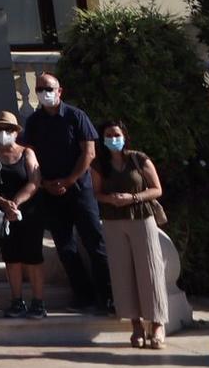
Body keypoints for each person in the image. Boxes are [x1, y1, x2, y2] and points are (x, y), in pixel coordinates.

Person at [21, 72, 113, 313]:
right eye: (40, 89)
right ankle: (83, 295)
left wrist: (69, 180)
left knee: (95, 242)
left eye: (48, 88)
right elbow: (28, 153)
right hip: (50, 192)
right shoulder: (33, 122)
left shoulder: (76, 116)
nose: (44, 93)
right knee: (65, 247)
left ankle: (108, 296)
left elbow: (89, 153)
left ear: (59, 91)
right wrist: (43, 183)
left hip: (80, 190)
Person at [92, 120, 168, 348]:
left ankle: (157, 324)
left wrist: (133, 198)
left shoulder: (138, 159)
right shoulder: (99, 164)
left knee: (149, 270)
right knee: (123, 272)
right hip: (114, 220)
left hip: (141, 217)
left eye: (116, 134)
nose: (113, 138)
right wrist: (111, 199)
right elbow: (96, 193)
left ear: (124, 135)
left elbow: (157, 188)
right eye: (108, 135)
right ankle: (135, 325)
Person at [0, 111, 46, 319]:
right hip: (3, 213)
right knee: (11, 258)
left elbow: (34, 180)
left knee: (33, 257)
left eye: (8, 129)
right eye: (0, 130)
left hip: (28, 211)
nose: (4, 133)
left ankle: (38, 301)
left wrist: (16, 203)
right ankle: (17, 300)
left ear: (16, 131)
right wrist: (3, 204)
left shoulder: (27, 153)